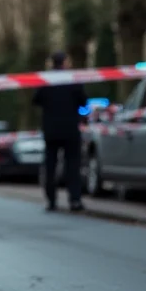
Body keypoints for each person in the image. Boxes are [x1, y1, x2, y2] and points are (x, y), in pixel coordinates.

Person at [32, 51, 87, 212]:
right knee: (73, 165)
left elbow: (36, 100)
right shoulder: (72, 80)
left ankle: (51, 201)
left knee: (50, 167)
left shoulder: (46, 81)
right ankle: (75, 200)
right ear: (64, 63)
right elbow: (83, 100)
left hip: (51, 130)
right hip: (70, 129)